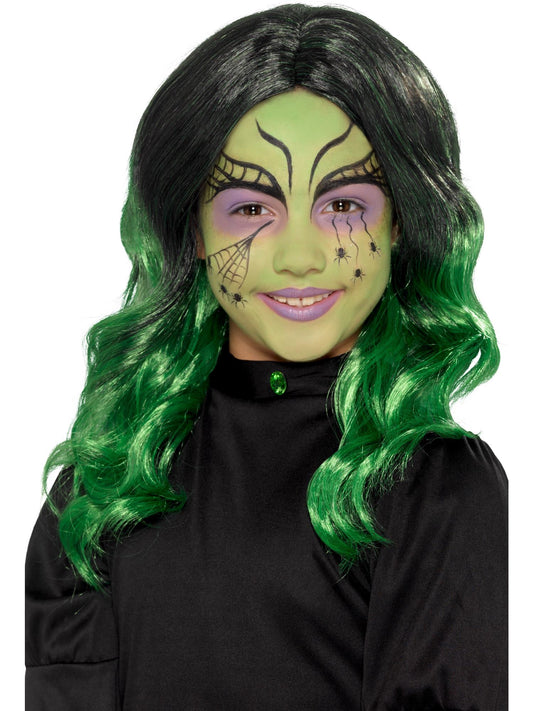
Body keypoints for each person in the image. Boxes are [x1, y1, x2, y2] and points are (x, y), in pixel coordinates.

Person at [25, 4, 508, 709]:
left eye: (343, 205)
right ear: (189, 228)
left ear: (401, 222)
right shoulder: (106, 485)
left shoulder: (433, 485)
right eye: (251, 209)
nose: (300, 256)